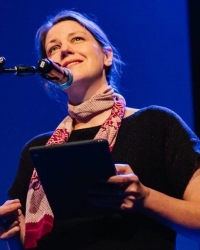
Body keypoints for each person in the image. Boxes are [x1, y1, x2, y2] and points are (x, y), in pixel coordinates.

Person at [0, 9, 200, 250]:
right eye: (53, 48)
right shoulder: (36, 150)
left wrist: (146, 198)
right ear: (48, 73)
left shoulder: (156, 124)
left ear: (107, 55)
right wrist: (11, 235)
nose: (64, 50)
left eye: (77, 39)